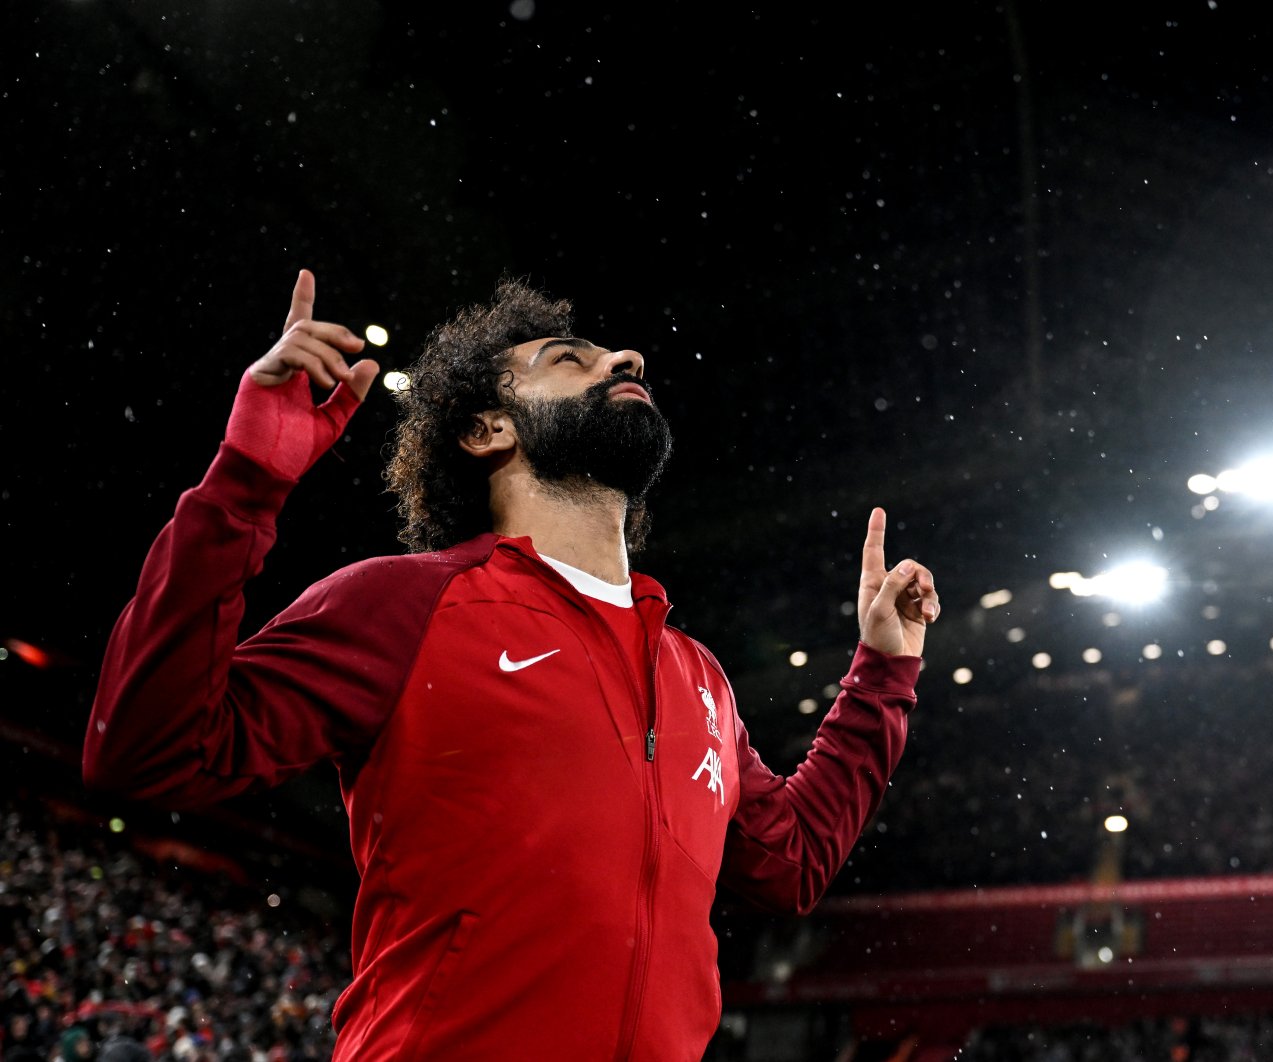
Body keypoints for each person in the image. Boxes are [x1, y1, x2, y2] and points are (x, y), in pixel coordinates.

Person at [83, 271, 939, 1061]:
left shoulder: (697, 676)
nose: (626, 358)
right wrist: (243, 487)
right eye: (572, 359)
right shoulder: (402, 606)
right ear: (488, 430)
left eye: (616, 354)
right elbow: (149, 750)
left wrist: (881, 679)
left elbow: (786, 865)